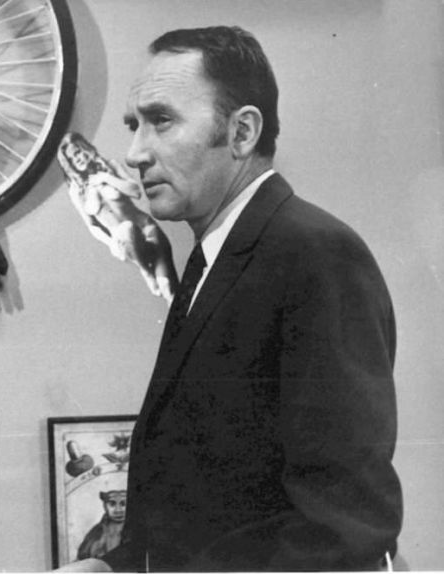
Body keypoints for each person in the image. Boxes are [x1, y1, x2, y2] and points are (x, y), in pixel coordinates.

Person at [58, 26, 402, 571]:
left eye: (161, 120)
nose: (135, 153)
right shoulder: (213, 260)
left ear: (242, 132)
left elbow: (342, 531)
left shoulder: (314, 253)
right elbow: (206, 506)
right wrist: (113, 567)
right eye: (133, 126)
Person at [76, 489, 127, 560]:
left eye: (123, 504)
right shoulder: (97, 531)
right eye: (112, 504)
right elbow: (83, 555)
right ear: (105, 506)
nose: (118, 510)